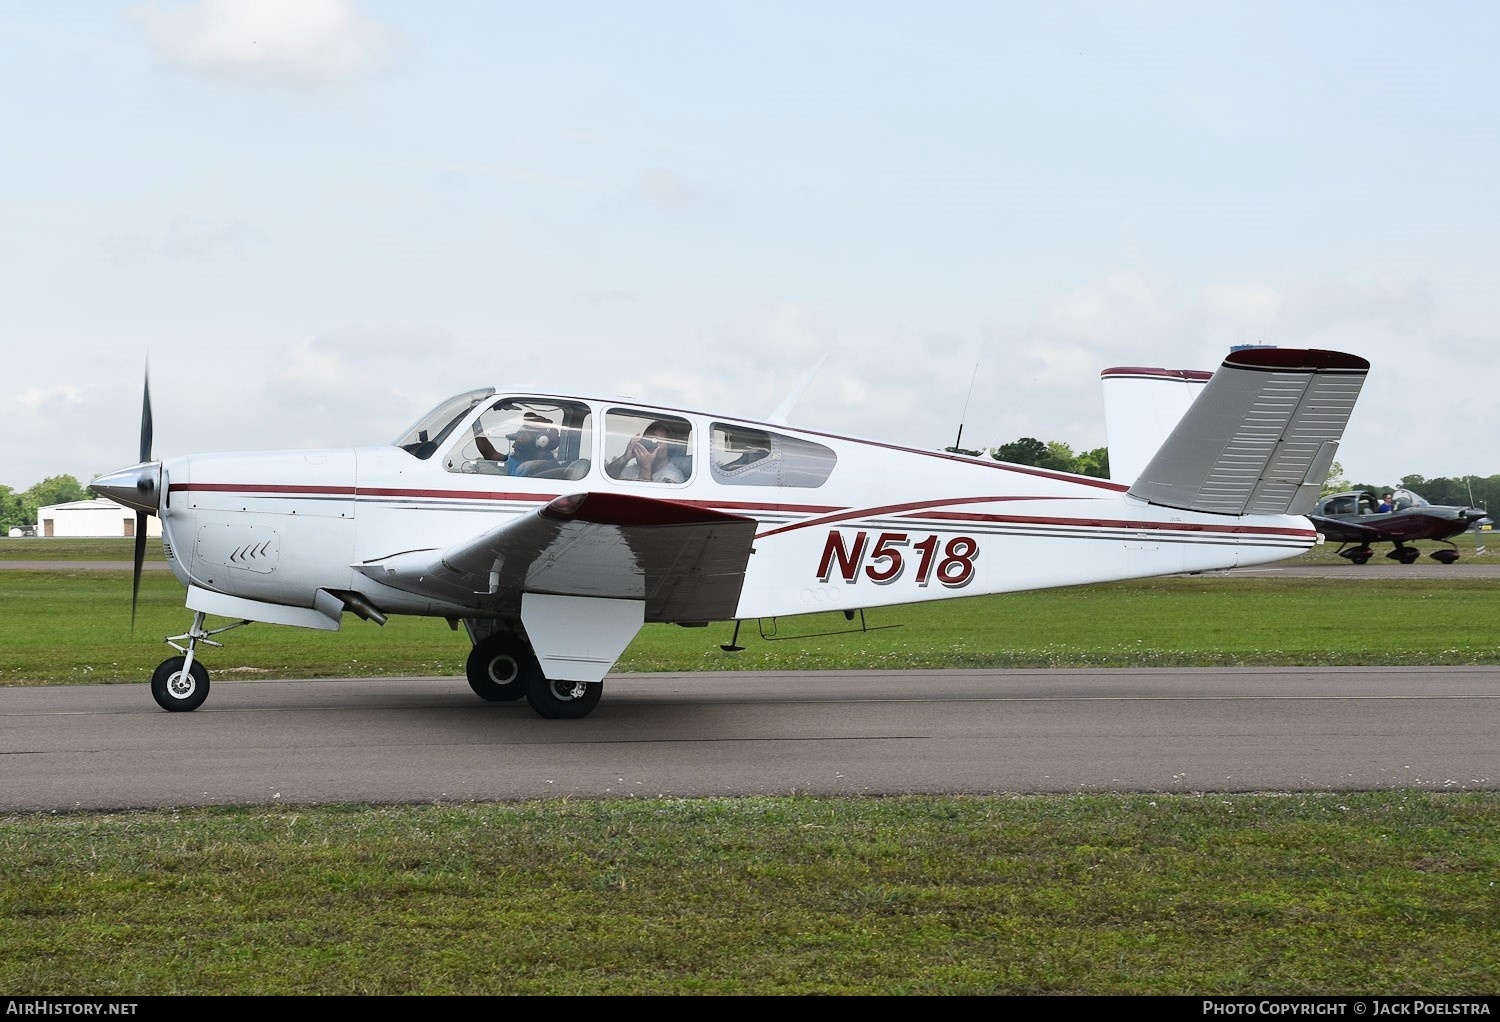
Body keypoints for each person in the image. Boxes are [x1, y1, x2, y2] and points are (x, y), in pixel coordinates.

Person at [607, 420, 687, 483]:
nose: (650, 445)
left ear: (669, 447)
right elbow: (607, 478)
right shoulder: (634, 469)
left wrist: (645, 468)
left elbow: (645, 502)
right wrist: (625, 458)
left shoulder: (673, 476)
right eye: (647, 440)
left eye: (655, 440)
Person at [500, 412, 559, 476]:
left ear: (542, 441)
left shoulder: (549, 471)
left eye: (520, 441)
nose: (513, 446)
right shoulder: (523, 462)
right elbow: (493, 455)